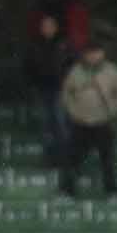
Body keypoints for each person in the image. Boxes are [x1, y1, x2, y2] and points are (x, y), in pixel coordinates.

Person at [58, 31, 117, 196]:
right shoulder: (76, 72)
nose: (93, 56)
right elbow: (67, 94)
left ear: (102, 53)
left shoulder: (112, 71)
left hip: (103, 121)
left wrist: (113, 112)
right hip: (81, 122)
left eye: (96, 52)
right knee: (72, 159)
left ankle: (112, 191)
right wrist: (74, 112)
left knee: (107, 160)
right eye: (90, 52)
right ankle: (66, 190)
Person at [24, 11, 73, 168]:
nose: (47, 28)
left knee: (61, 124)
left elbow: (72, 66)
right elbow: (28, 68)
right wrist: (32, 84)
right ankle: (49, 159)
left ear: (56, 27)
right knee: (46, 126)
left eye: (50, 25)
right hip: (42, 90)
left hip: (60, 89)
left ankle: (65, 158)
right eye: (44, 26)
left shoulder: (65, 44)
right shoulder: (34, 45)